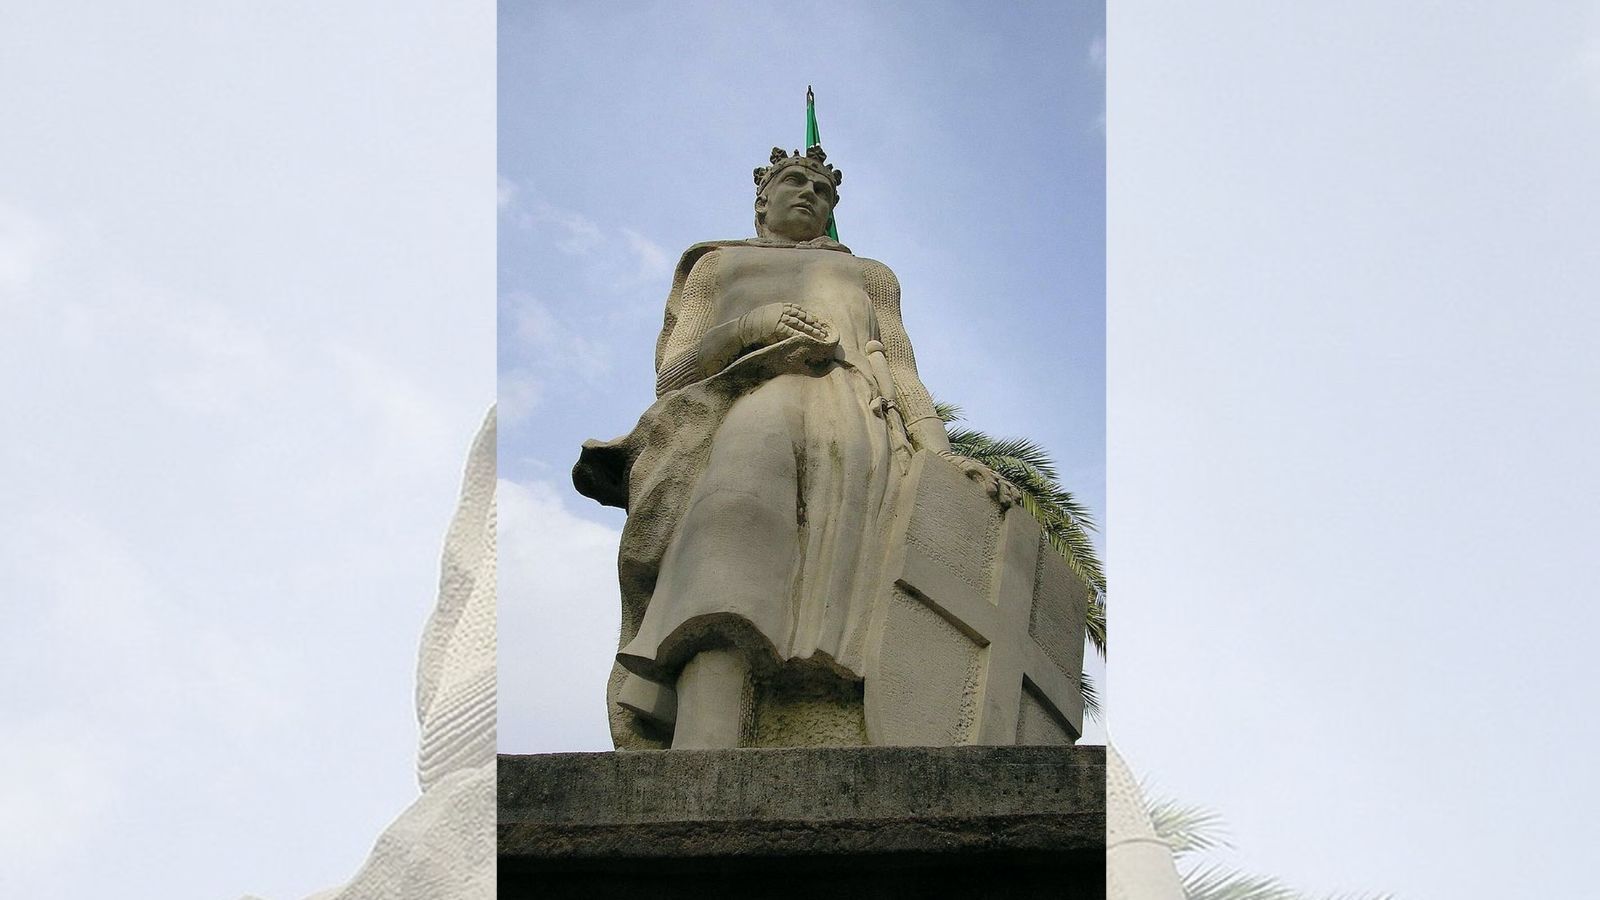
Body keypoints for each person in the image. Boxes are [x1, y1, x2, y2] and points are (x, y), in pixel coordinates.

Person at [576, 146, 998, 749]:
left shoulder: (871, 275)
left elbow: (903, 368)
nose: (810, 195)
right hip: (743, 409)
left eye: (823, 191)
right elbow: (672, 376)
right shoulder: (717, 267)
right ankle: (707, 727)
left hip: (855, 420)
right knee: (727, 555)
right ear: (762, 199)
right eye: (795, 182)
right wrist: (752, 328)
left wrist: (941, 455)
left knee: (849, 591)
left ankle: (833, 720)